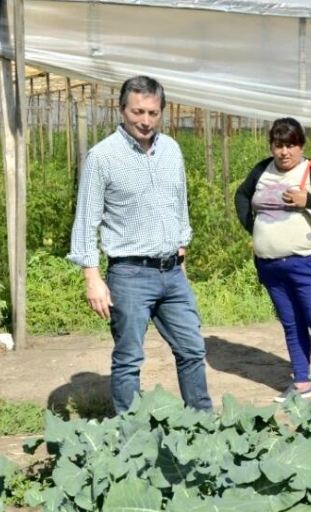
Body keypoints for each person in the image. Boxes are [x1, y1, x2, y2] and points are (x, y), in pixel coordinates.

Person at [67, 75, 212, 413]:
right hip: (130, 274)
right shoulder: (102, 157)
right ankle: (129, 437)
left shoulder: (172, 150)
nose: (145, 121)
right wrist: (92, 278)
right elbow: (86, 219)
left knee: (192, 349)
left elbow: (179, 205)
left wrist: (182, 251)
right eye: (137, 112)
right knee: (130, 358)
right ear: (121, 110)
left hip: (172, 272)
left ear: (162, 112)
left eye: (152, 112)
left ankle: (204, 427)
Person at [235, 117, 311, 402]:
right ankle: (302, 382)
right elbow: (242, 195)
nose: (284, 152)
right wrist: (254, 226)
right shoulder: (262, 170)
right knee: (292, 324)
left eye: (291, 145)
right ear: (271, 146)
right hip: (271, 266)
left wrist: (307, 200)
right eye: (278, 145)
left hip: (310, 264)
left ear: (301, 145)